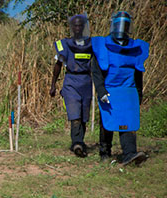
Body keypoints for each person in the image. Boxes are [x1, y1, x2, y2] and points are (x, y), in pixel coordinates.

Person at [91, 11, 149, 165]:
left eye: (126, 25)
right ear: (113, 25)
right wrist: (101, 90)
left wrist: (138, 93)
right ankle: (105, 152)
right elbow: (96, 72)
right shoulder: (102, 46)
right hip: (110, 89)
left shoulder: (135, 47)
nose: (122, 28)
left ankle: (130, 154)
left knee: (127, 122)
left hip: (128, 91)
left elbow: (138, 73)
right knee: (108, 121)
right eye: (119, 25)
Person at [49, 14, 93, 157]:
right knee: (75, 114)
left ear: (84, 27)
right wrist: (53, 84)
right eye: (75, 25)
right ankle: (77, 143)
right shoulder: (65, 44)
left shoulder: (91, 44)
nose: (77, 28)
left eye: (80, 25)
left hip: (86, 82)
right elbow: (58, 65)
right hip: (71, 82)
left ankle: (80, 141)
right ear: (71, 27)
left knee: (84, 116)